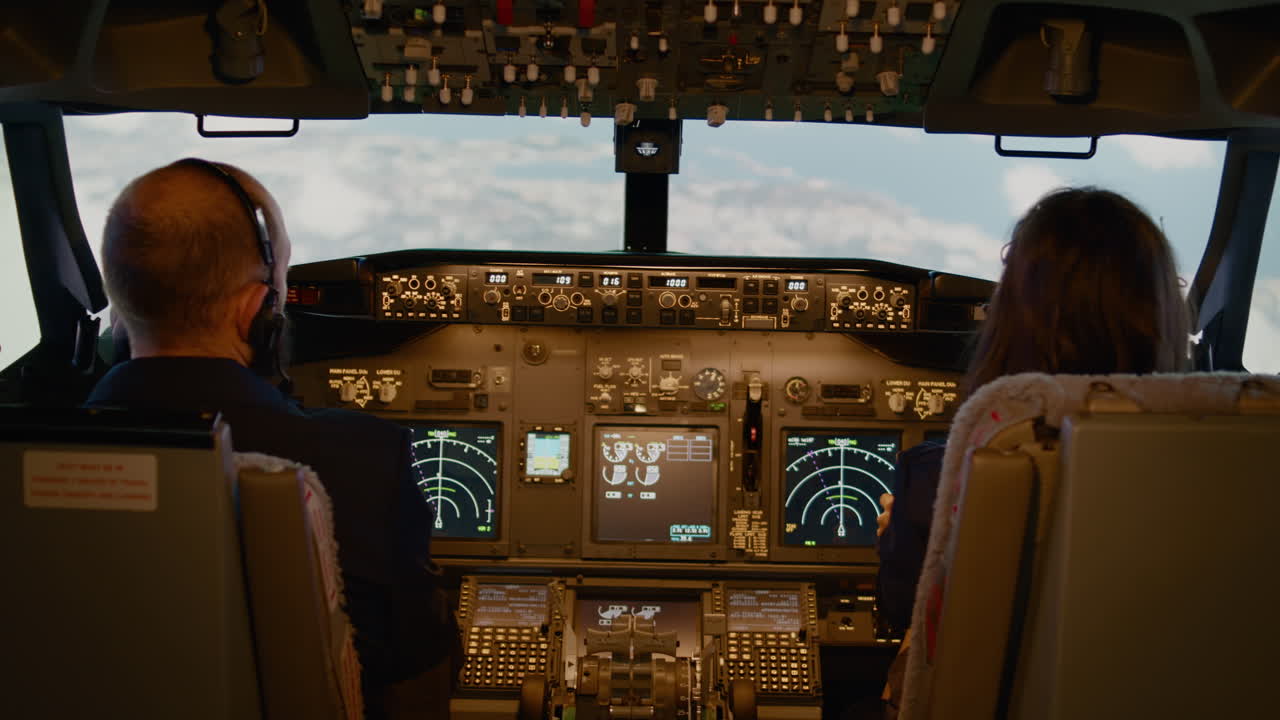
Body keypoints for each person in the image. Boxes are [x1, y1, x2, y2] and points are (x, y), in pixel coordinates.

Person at [86, 158, 458, 719]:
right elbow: (419, 688)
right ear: (257, 314)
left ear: (121, 301)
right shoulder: (362, 461)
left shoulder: (27, 462)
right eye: (278, 285)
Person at [874, 187, 1190, 706]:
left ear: (1006, 324)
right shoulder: (1223, 475)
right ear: (1166, 317)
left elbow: (899, 602)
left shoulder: (945, 479)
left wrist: (898, 539)